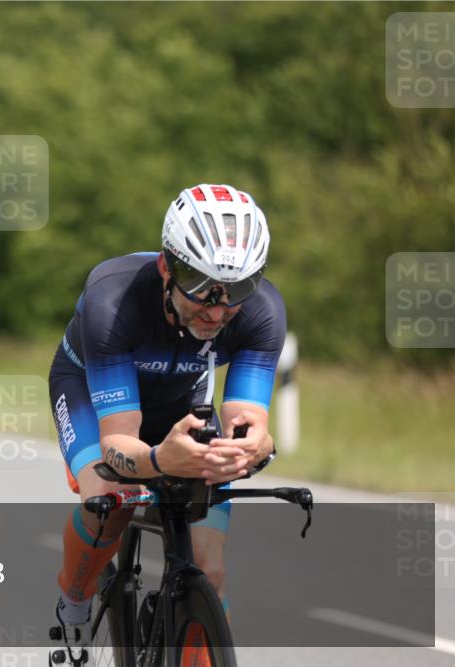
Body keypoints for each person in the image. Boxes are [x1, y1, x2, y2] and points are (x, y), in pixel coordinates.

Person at [48, 184, 284, 663]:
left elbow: (247, 417)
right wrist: (158, 459)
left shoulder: (262, 312)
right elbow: (118, 443)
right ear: (166, 267)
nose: (219, 309)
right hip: (94, 398)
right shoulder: (111, 301)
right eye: (203, 288)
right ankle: (74, 600)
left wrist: (252, 445)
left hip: (181, 402)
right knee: (108, 500)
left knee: (210, 571)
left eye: (237, 289)